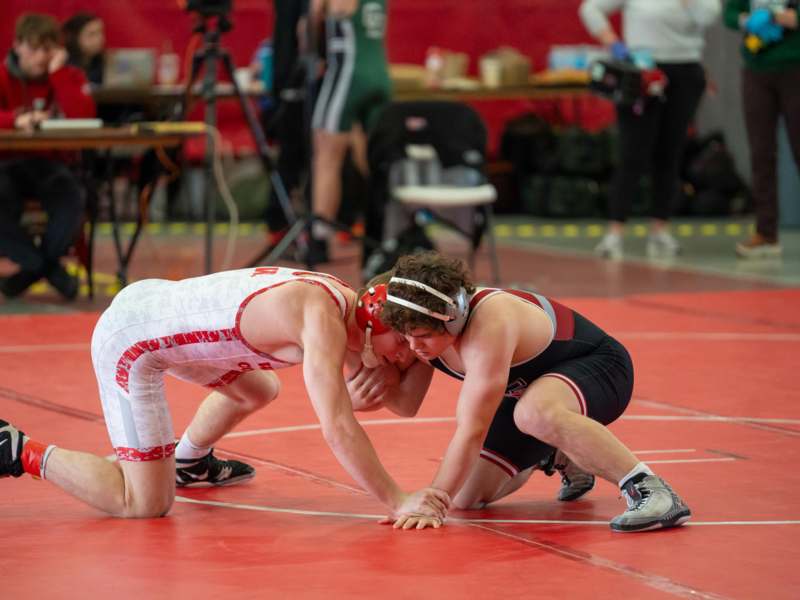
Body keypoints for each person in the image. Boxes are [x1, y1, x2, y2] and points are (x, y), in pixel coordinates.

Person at [0, 265, 448, 524]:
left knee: (258, 389)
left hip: (160, 305)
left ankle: (190, 460)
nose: (409, 356)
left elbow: (403, 405)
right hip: (133, 342)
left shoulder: (350, 311)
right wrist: (397, 499)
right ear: (373, 326)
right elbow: (336, 426)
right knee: (143, 504)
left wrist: (393, 372)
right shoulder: (320, 319)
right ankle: (17, 449)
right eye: (404, 344)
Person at [367, 251, 691, 532]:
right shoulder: (423, 328)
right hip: (528, 395)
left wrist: (432, 501)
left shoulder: (491, 321)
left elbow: (472, 429)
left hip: (600, 369)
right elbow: (405, 404)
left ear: (453, 320)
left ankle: (650, 489)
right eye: (405, 336)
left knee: (534, 412)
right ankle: (556, 451)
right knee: (465, 496)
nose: (413, 347)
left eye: (421, 336)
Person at [579, 0, 721, 259]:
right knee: (632, 153)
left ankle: (660, 229)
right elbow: (590, 8)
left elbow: (709, 16)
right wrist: (613, 42)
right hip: (641, 71)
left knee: (670, 152)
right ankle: (615, 231)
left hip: (685, 70)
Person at [0, 12, 96, 300]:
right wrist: (15, 120)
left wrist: (58, 74)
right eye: (35, 48)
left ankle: (29, 271)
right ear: (18, 46)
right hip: (7, 164)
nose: (41, 57)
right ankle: (48, 269)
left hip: (52, 164)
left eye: (48, 49)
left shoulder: (68, 76)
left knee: (73, 198)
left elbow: (84, 117)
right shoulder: (3, 76)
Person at [306, 0, 392, 263]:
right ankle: (386, 233)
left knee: (326, 152)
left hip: (348, 73)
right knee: (372, 157)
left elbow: (311, 21)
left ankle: (319, 239)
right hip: (378, 72)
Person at [723, 1, 800, 258]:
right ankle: (766, 233)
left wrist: (787, 17)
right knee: (761, 152)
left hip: (795, 65)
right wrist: (747, 20)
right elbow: (730, 14)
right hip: (757, 68)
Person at [62, 11, 105, 85]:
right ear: (75, 38)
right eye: (92, 34)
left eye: (101, 32)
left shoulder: (103, 63)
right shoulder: (63, 64)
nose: (100, 38)